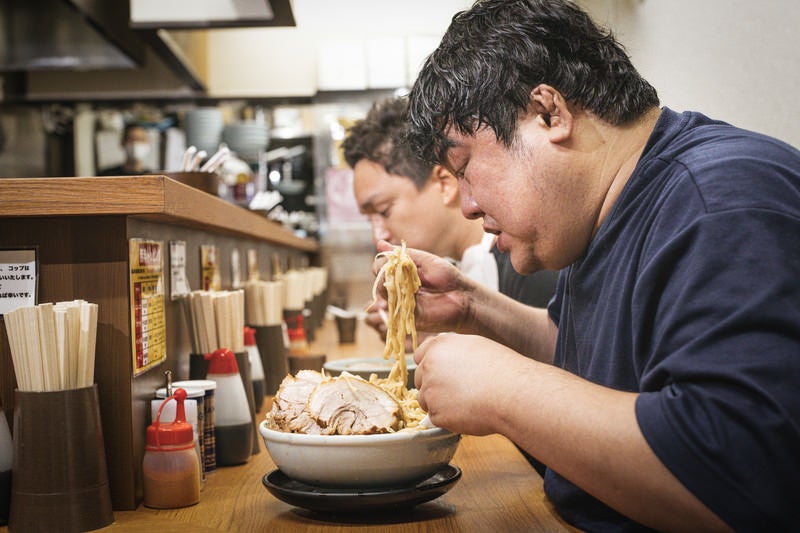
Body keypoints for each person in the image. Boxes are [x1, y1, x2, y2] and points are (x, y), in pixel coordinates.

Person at [372, 0, 800, 531]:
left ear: (549, 113)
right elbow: (591, 356)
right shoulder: (599, 211)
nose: (466, 205)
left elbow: (741, 473)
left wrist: (504, 390)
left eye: (465, 167)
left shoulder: (722, 198)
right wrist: (470, 305)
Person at [342, 97, 557, 341]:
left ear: (445, 183)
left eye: (383, 211)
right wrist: (422, 333)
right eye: (369, 220)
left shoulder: (526, 263)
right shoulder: (463, 269)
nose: (377, 235)